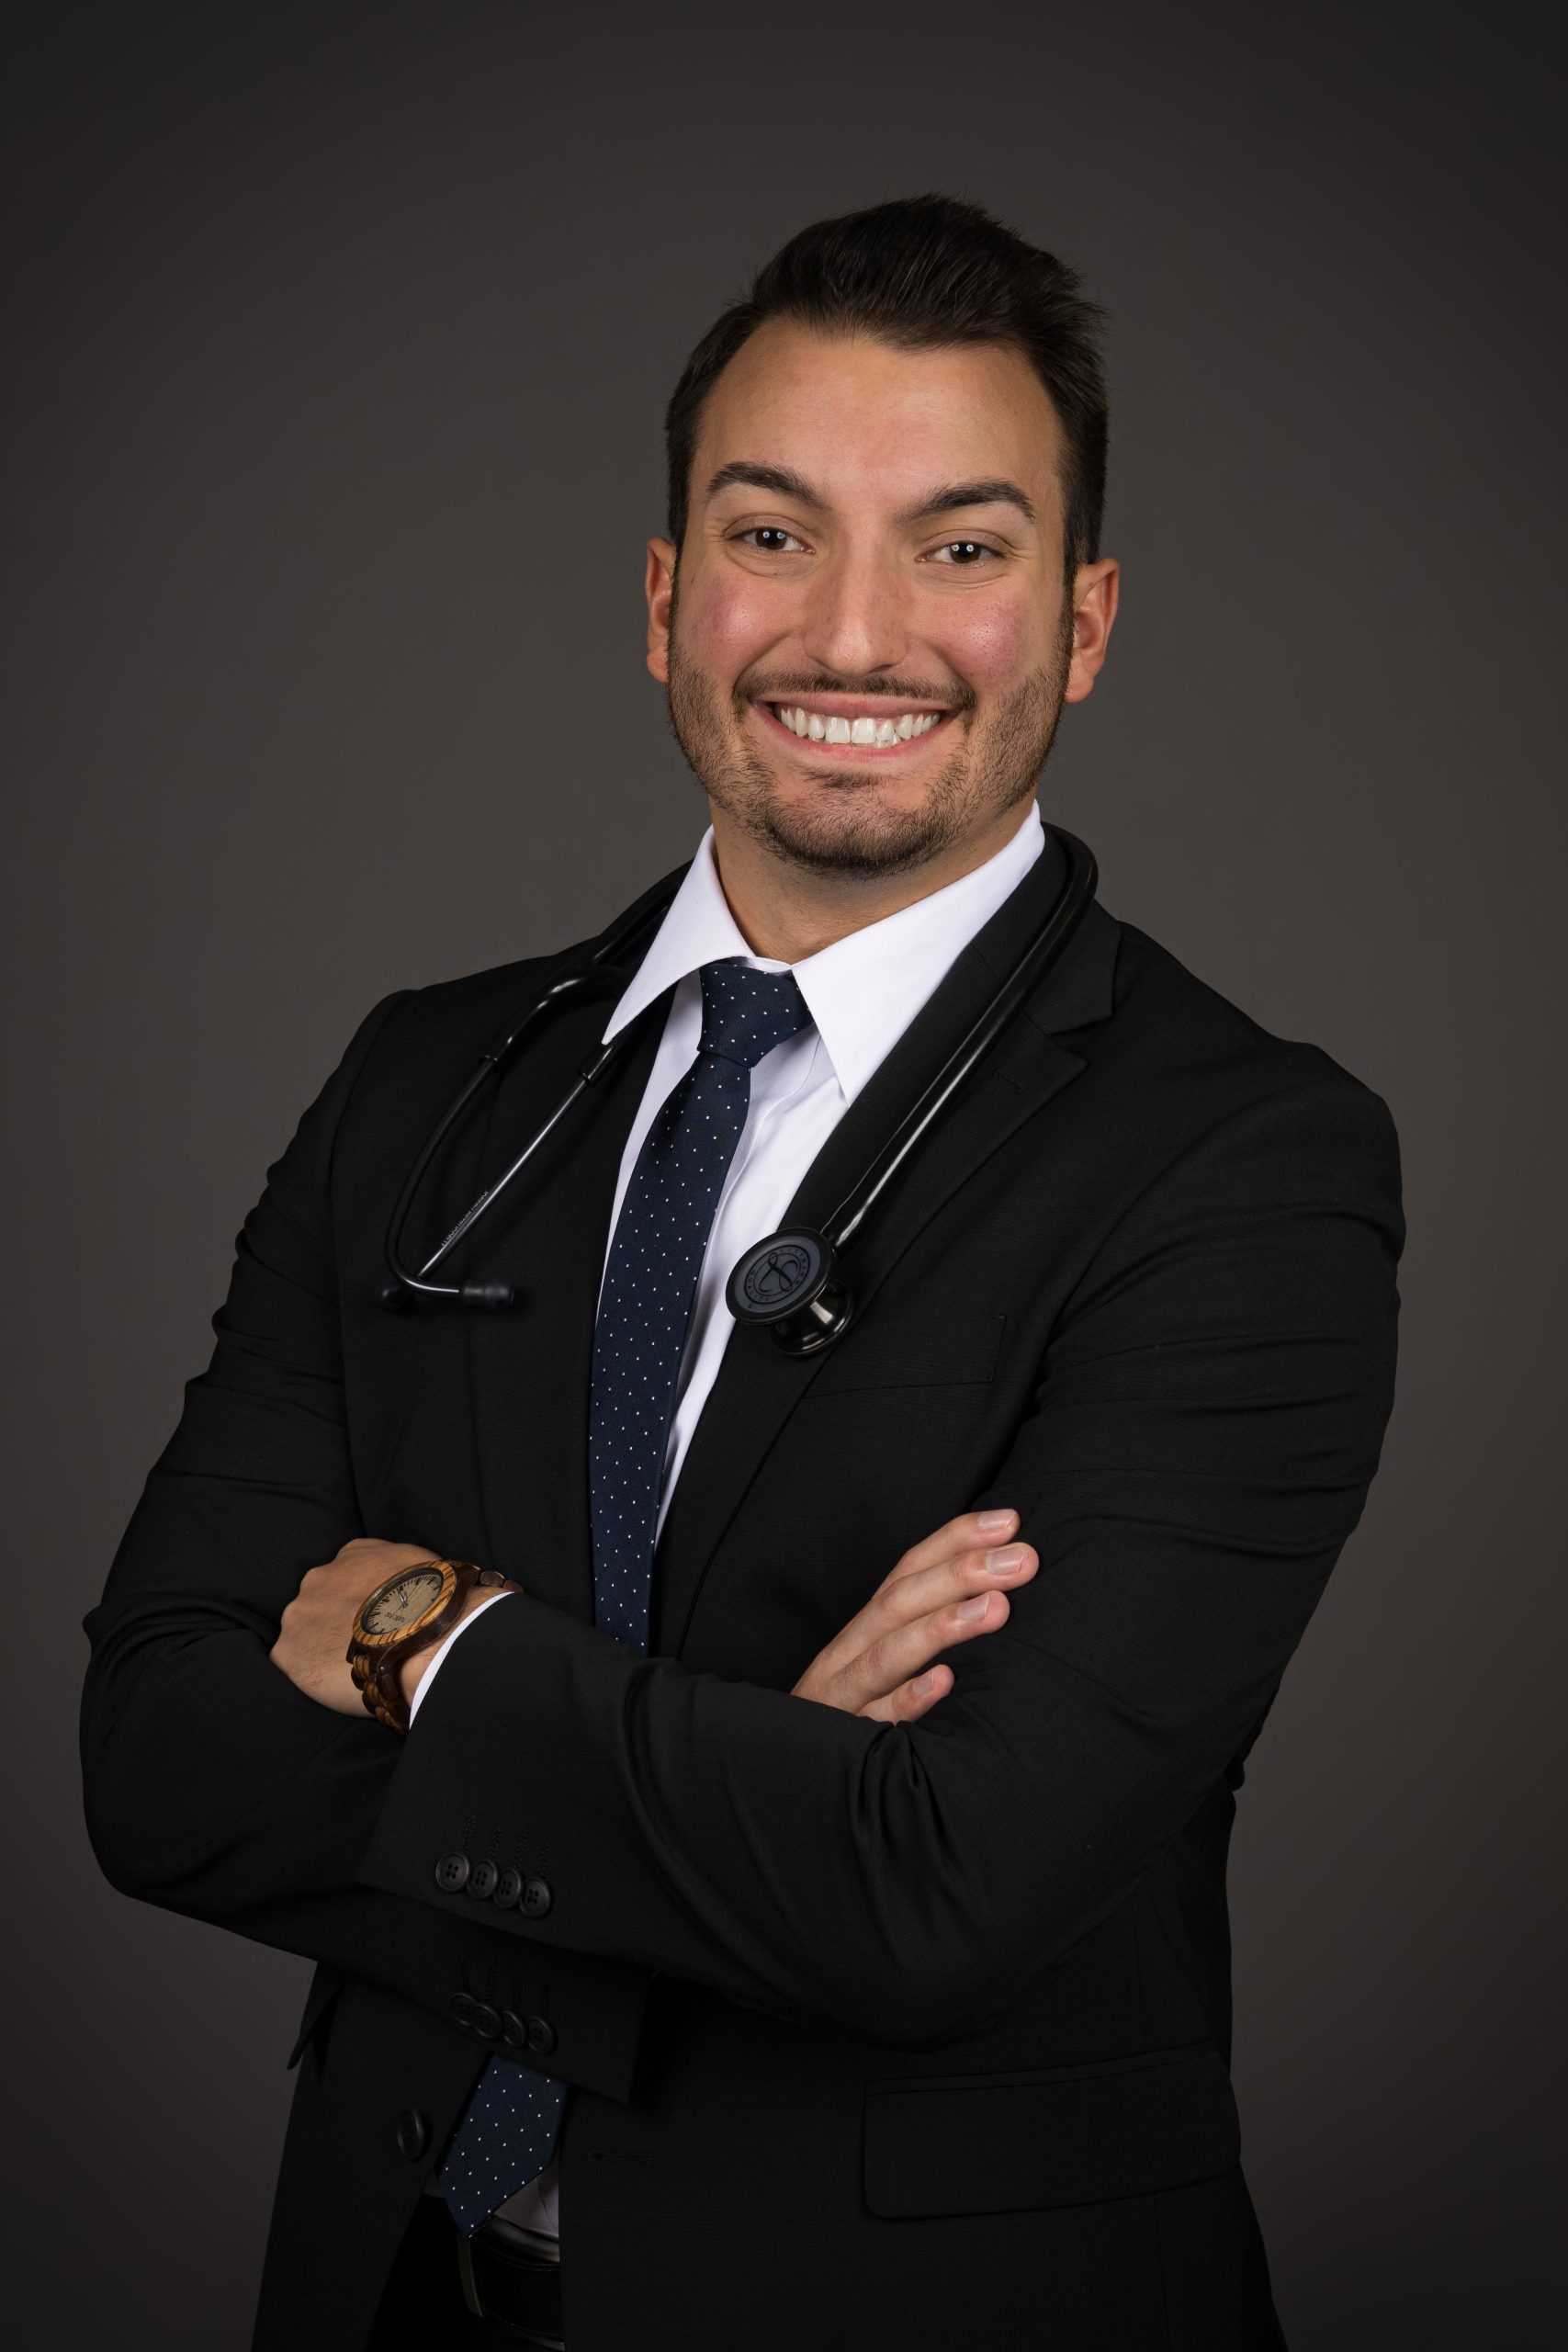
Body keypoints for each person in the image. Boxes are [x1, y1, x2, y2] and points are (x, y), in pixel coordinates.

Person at [81, 194, 1403, 2352]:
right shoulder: (425, 1082)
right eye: (772, 533)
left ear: (1079, 624)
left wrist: (437, 1646)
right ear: (663, 597)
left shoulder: (1240, 1162)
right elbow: (159, 1757)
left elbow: (930, 1885)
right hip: (393, 2284)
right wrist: (759, 1765)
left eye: (958, 546)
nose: (852, 634)